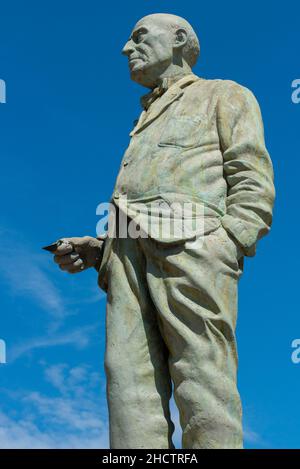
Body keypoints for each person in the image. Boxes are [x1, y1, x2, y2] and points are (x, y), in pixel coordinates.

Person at [48, 13, 275, 449]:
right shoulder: (144, 115)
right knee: (128, 383)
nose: (125, 49)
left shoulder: (224, 94)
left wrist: (228, 242)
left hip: (196, 246)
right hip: (125, 254)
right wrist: (101, 248)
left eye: (138, 37)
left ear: (179, 39)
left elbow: (251, 177)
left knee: (202, 376)